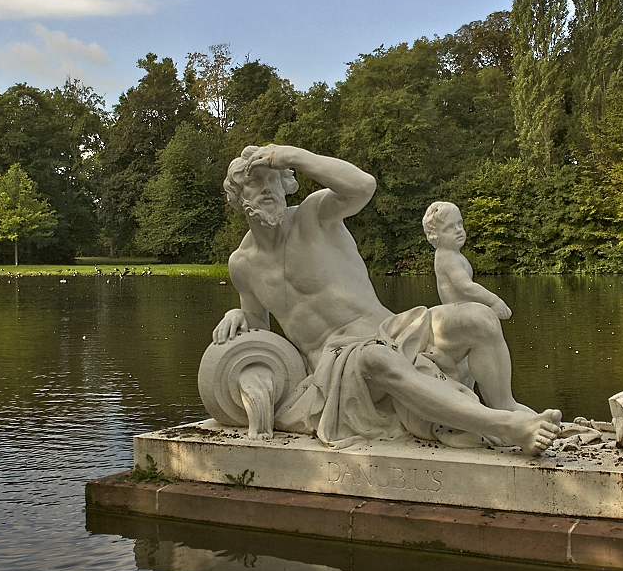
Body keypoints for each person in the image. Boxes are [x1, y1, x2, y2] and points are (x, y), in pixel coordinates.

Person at [212, 144, 560, 454]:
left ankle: (507, 406)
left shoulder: (316, 215)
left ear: (286, 183)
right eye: (256, 182)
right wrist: (238, 316)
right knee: (377, 359)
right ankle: (506, 427)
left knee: (478, 318)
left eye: (274, 179)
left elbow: (364, 186)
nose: (268, 189)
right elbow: (265, 342)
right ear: (237, 195)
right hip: (337, 360)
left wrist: (293, 156)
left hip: (391, 327)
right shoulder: (243, 264)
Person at [424, 201, 512, 320]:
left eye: (460, 224)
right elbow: (465, 286)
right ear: (435, 235)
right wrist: (494, 301)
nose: (458, 230)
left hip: (464, 308)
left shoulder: (453, 254)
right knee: (487, 318)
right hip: (457, 311)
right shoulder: (447, 256)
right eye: (449, 228)